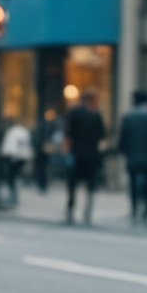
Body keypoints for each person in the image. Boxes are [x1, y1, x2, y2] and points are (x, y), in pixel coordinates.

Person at [118, 90, 147, 224]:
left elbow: (123, 138)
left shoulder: (129, 116)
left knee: (133, 183)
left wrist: (123, 150)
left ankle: (134, 207)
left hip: (133, 155)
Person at [64, 91, 107, 224]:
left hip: (76, 153)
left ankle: (71, 207)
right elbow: (102, 135)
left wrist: (66, 149)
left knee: (72, 183)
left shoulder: (73, 113)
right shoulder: (96, 115)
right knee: (90, 184)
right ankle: (87, 209)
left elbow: (68, 133)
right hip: (91, 154)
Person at [0, 119, 32, 206]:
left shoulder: (13, 132)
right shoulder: (24, 131)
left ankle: (12, 196)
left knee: (11, 177)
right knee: (16, 176)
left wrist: (9, 155)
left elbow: (11, 147)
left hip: (14, 157)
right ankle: (14, 196)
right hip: (22, 157)